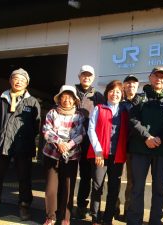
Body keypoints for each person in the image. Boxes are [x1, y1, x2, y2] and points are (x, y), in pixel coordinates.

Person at [0, 68, 41, 220]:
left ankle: (24, 206)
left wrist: (26, 139)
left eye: (22, 80)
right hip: (3, 144)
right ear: (10, 80)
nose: (18, 81)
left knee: (24, 177)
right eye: (15, 78)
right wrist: (0, 137)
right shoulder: (0, 99)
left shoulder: (33, 102)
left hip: (23, 146)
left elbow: (36, 126)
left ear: (27, 83)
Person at [127, 66, 163, 225]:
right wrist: (147, 137)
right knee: (137, 188)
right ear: (150, 78)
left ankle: (156, 221)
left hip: (162, 151)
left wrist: (160, 139)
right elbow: (133, 120)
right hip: (140, 149)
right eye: (156, 76)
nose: (159, 79)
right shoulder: (139, 98)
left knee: (159, 189)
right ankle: (134, 221)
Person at [87, 80, 128, 225]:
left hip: (117, 156)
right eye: (112, 91)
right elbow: (91, 129)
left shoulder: (125, 111)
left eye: (118, 92)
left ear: (122, 94)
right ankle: (95, 217)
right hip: (100, 155)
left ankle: (108, 218)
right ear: (107, 93)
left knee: (114, 188)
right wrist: (98, 151)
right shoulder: (99, 108)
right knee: (97, 186)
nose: (114, 94)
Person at [42, 85, 85, 225]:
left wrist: (68, 145)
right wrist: (59, 142)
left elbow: (81, 134)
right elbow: (46, 130)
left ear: (74, 100)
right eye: (64, 97)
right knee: (50, 188)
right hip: (52, 154)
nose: (66, 100)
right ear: (59, 99)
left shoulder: (79, 115)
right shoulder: (52, 113)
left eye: (70, 97)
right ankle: (50, 216)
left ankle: (65, 218)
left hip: (71, 156)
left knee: (68, 187)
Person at [75, 65, 105, 219]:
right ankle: (63, 206)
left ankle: (81, 205)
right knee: (67, 175)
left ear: (93, 78)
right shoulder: (71, 91)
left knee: (86, 176)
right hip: (69, 142)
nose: (86, 77)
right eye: (83, 75)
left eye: (89, 75)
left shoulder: (98, 96)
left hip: (88, 143)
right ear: (79, 76)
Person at [115, 74, 141, 220]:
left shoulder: (141, 103)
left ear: (137, 87)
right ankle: (114, 207)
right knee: (116, 178)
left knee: (132, 181)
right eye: (128, 83)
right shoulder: (118, 103)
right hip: (118, 146)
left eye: (134, 84)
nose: (131, 85)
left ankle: (128, 211)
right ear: (124, 86)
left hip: (134, 147)